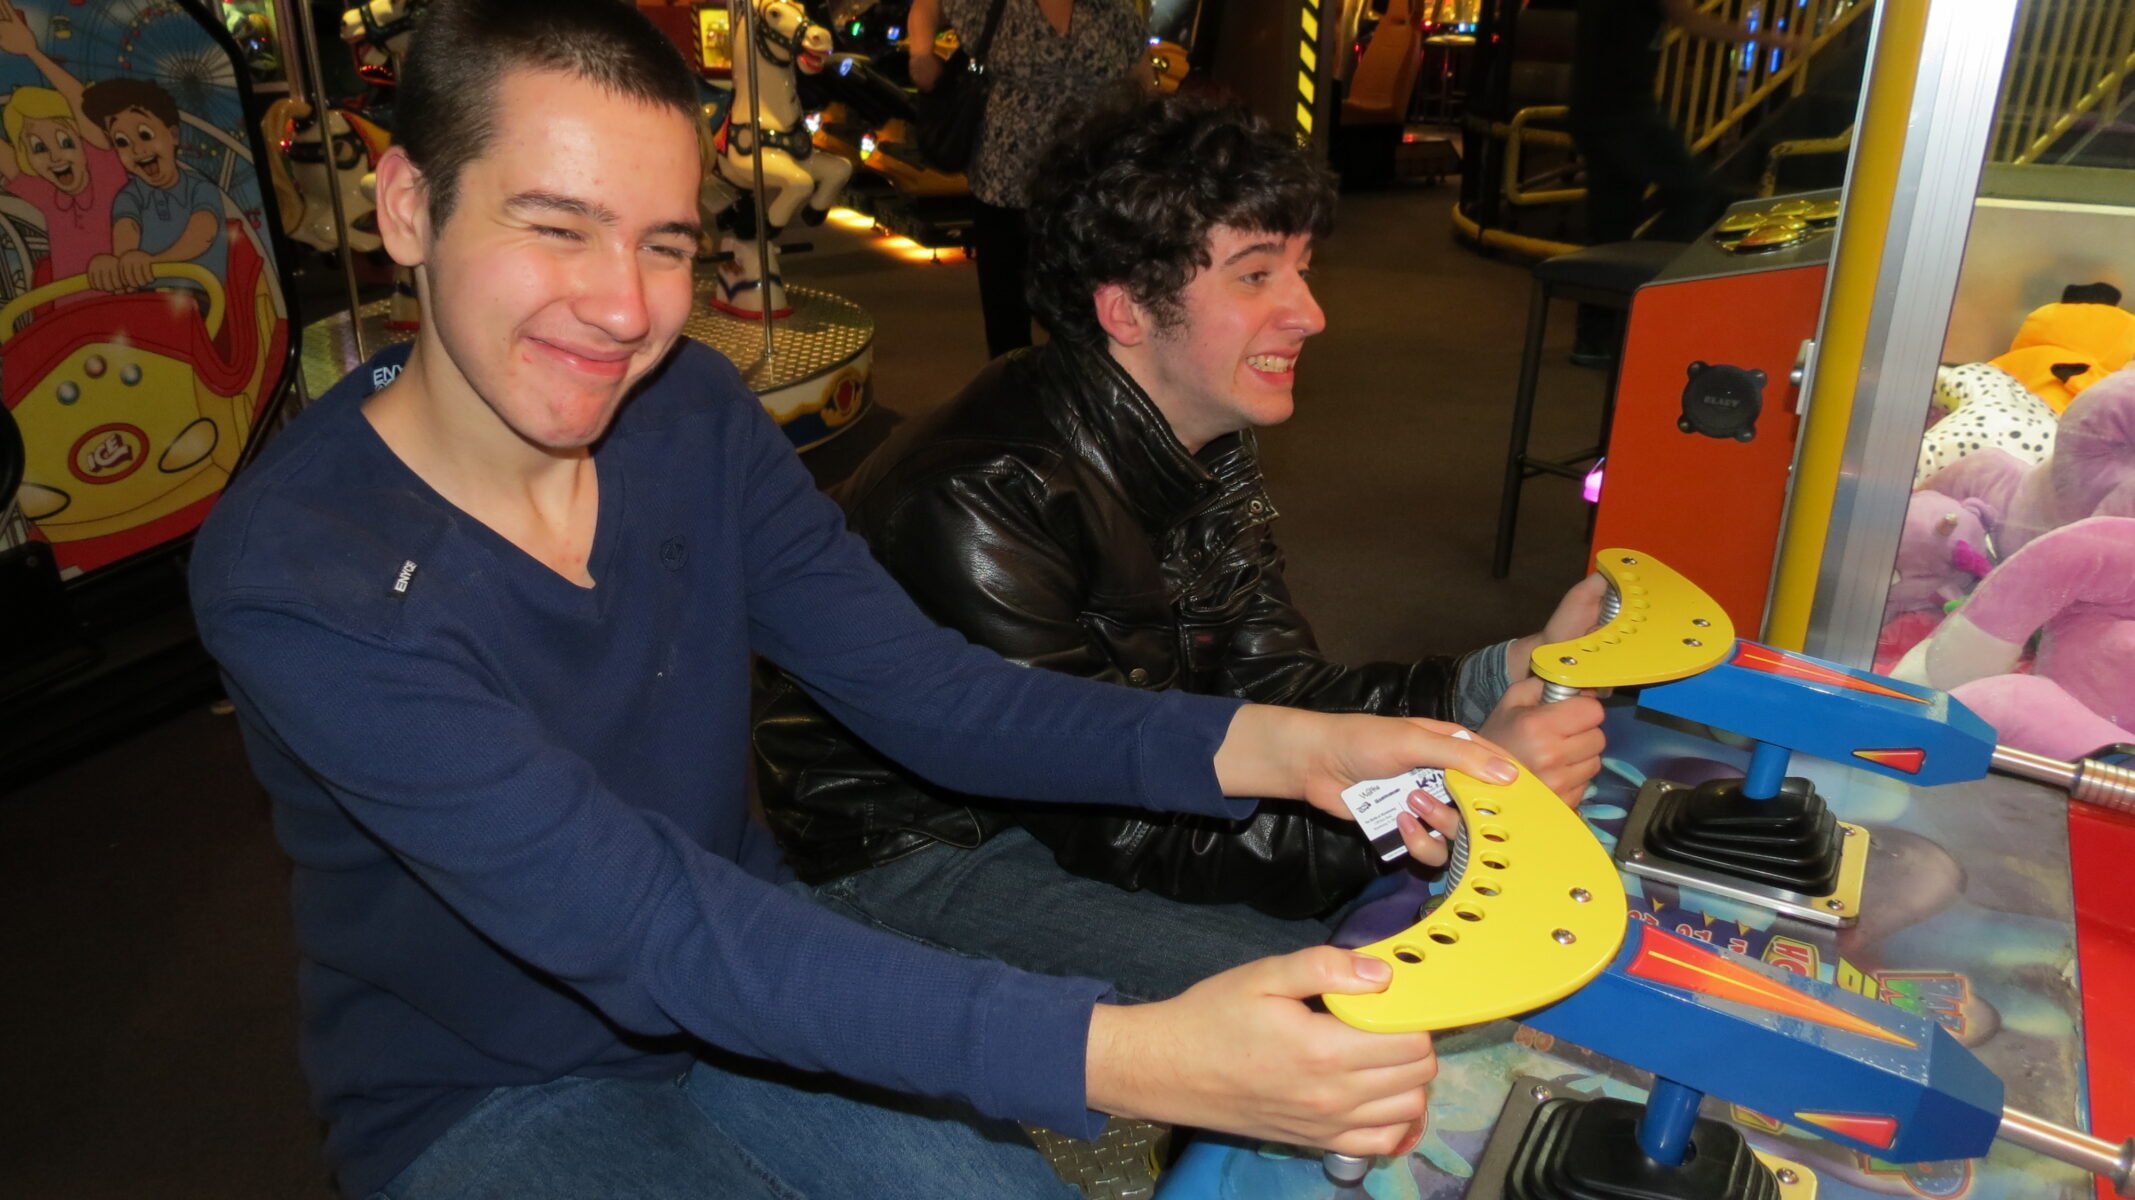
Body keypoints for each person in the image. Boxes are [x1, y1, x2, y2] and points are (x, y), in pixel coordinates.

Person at [188, 2, 1535, 1196]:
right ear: (409, 206)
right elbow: (638, 921)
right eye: (554, 227)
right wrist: (1127, 1053)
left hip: (750, 981)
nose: (620, 308)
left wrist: (1289, 748)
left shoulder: (691, 418)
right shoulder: (300, 569)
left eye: (663, 244)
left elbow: (932, 695)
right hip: (485, 1088)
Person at [754, 94, 1609, 1004]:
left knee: (1385, 927)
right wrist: (1446, 792)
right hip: (925, 847)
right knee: (1341, 1000)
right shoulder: (977, 497)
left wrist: (1503, 672)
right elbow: (1124, 828)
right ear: (1126, 309)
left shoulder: (1198, 428)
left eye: (1302, 269)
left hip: (1096, 799)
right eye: (1255, 276)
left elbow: (1278, 689)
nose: (1310, 313)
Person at [1568, 0, 1805, 362]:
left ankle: (1597, 335)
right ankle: (1641, 291)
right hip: (1626, 113)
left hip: (1599, 108)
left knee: (1612, 220)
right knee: (1696, 191)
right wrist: (1768, 37)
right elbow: (1688, 17)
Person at [907, 0, 1147, 358]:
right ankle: (1013, 392)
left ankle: (1081, 395)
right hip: (1005, 177)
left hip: (1089, 180)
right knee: (1007, 310)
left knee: (1088, 304)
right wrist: (921, 55)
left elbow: (1140, 78)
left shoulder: (1113, 8)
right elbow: (928, 5)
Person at [0, 1, 125, 297]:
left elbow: (80, 101)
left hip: (127, 313)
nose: (55, 157)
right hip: (71, 322)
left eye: (66, 142)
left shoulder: (107, 175)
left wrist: (31, 51)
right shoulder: (49, 195)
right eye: (38, 149)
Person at [81, 76, 228, 297]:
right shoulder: (130, 196)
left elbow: (202, 233)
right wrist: (117, 266)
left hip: (199, 298)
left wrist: (153, 263)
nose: (138, 150)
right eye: (122, 141)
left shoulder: (200, 188)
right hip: (147, 301)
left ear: (173, 135)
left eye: (145, 135)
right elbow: (126, 228)